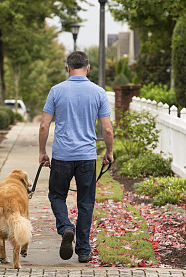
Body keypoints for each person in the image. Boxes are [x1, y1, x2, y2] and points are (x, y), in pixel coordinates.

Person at [39, 51, 114, 263]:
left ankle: (65, 227)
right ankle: (83, 250)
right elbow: (107, 129)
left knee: (56, 195)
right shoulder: (99, 92)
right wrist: (108, 152)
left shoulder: (56, 91)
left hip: (62, 155)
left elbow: (44, 125)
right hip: (87, 157)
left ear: (67, 67)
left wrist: (42, 152)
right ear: (88, 68)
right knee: (86, 203)